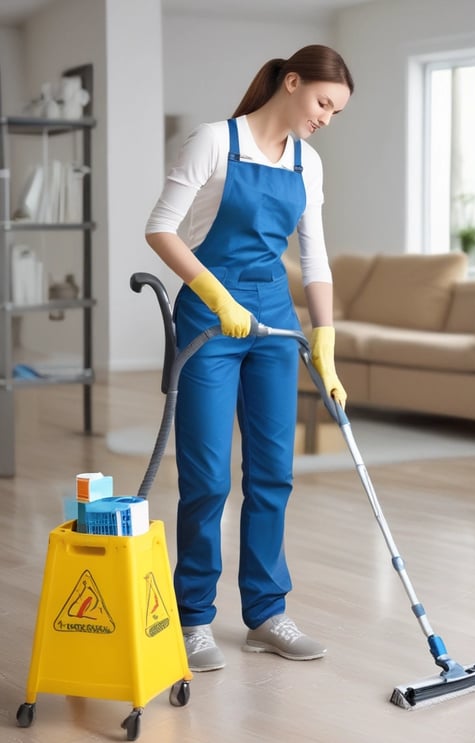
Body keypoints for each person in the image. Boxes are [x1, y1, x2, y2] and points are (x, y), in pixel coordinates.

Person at [144, 45, 353, 672]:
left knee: (273, 473)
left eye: (335, 111)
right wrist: (212, 292)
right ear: (291, 83)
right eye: (322, 103)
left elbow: (313, 256)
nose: (325, 118)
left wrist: (326, 339)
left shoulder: (307, 163)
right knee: (206, 478)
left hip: (275, 324)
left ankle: (266, 614)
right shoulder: (215, 141)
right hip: (212, 318)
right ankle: (194, 620)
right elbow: (160, 228)